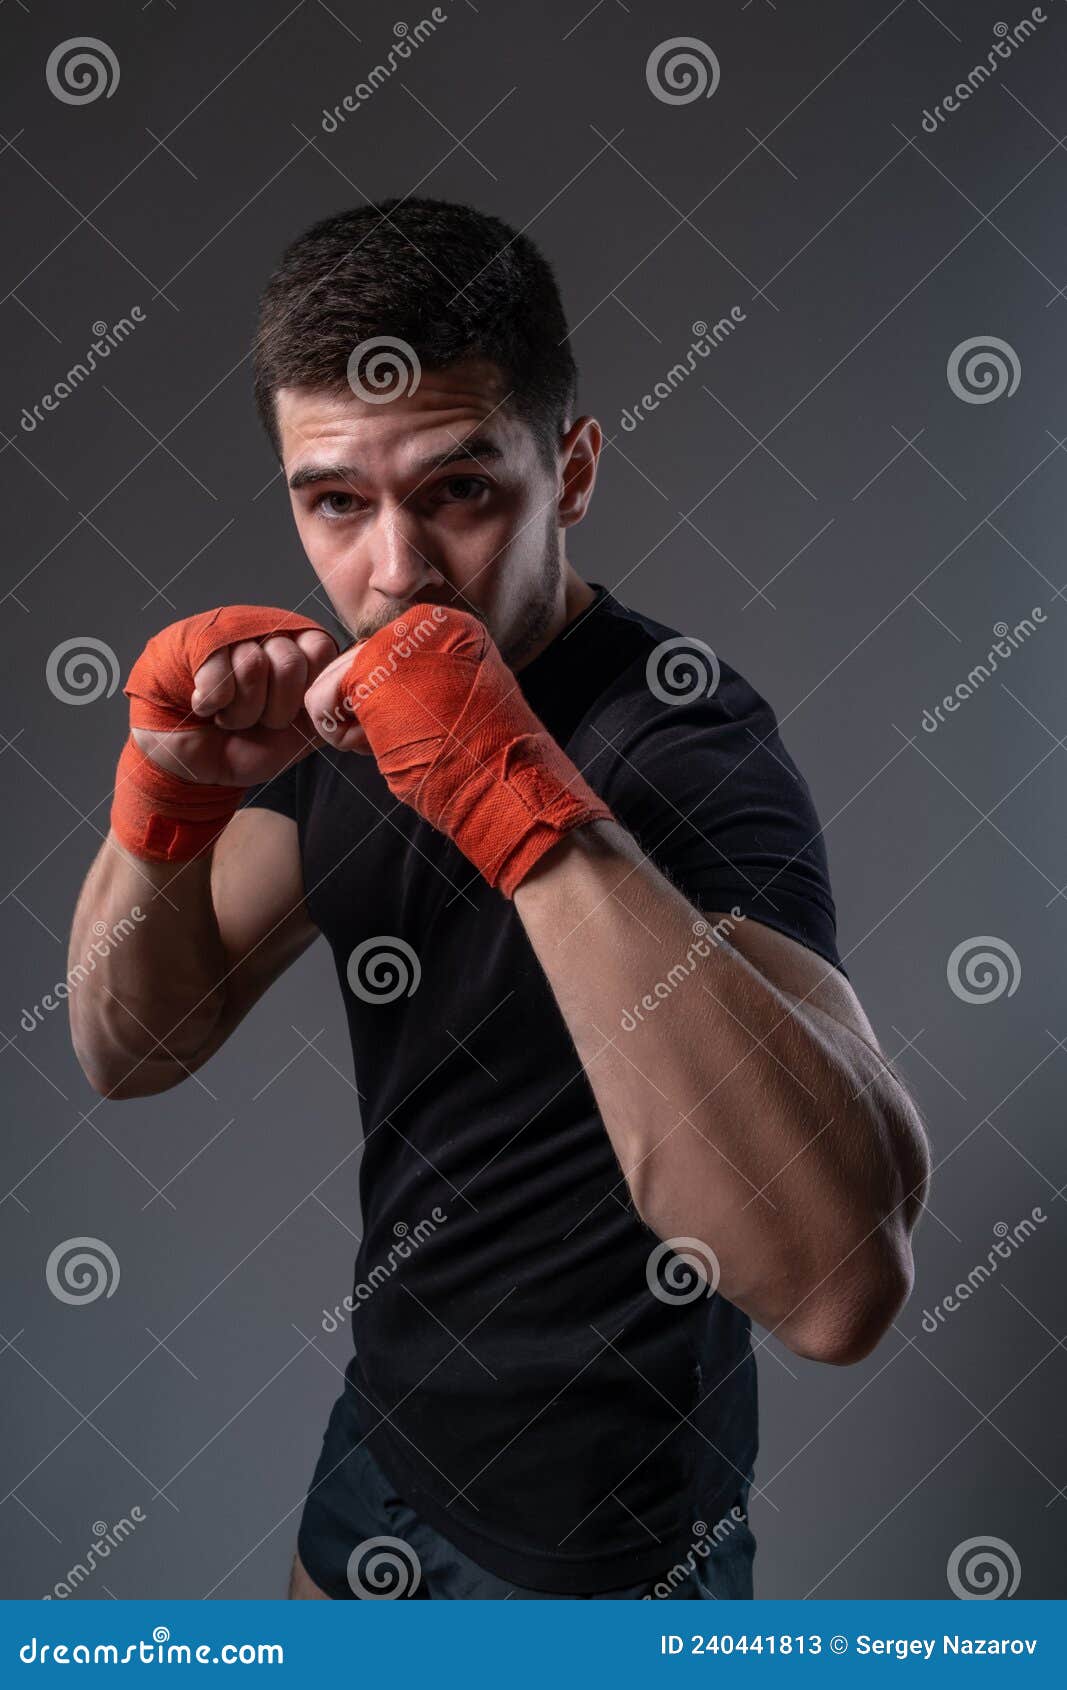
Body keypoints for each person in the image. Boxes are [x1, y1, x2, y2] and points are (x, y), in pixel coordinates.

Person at [68, 197, 930, 1601]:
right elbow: (131, 1043)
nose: (395, 570)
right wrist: (166, 798)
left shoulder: (679, 739)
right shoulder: (350, 712)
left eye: (460, 490)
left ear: (571, 469)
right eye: (337, 501)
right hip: (383, 1448)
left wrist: (513, 796)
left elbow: (838, 1281)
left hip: (604, 1541)